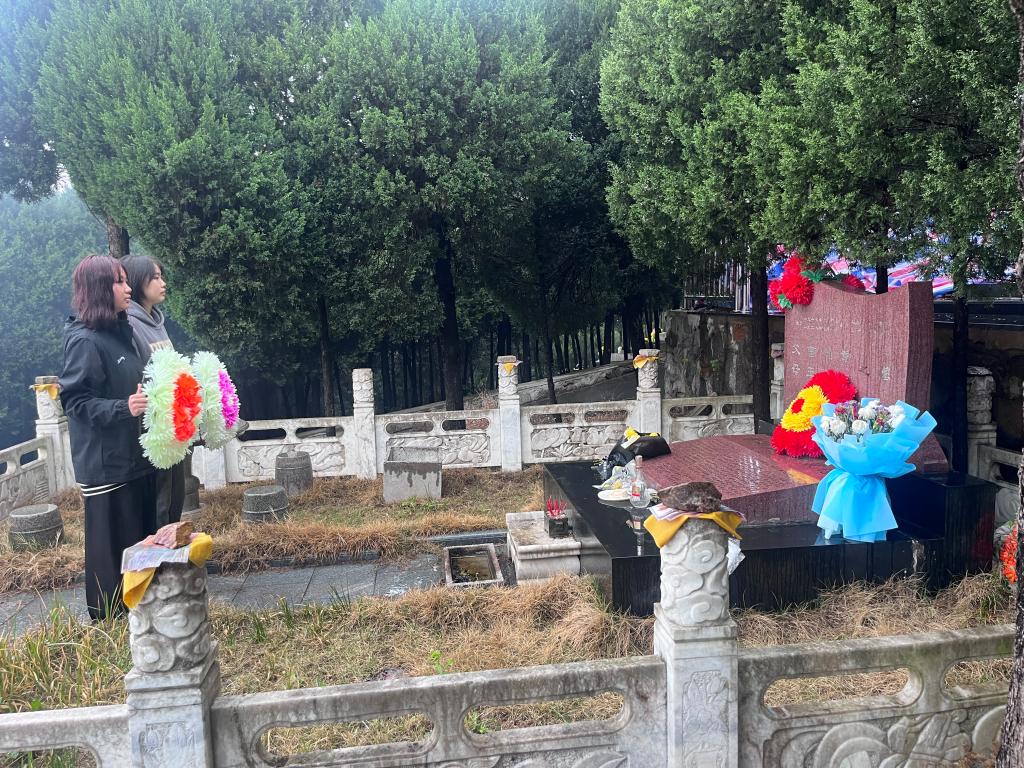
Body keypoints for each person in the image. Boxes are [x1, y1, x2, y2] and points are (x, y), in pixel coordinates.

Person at [60, 254, 156, 620]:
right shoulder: (84, 341)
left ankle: (141, 614)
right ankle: (109, 621)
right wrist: (123, 408)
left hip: (134, 456)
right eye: (119, 282)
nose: (128, 288)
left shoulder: (121, 332)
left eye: (126, 280)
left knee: (139, 542)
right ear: (100, 288)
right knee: (111, 551)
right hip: (105, 466)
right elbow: (75, 402)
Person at [123, 255, 184, 527]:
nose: (163, 283)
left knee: (175, 497)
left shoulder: (157, 322)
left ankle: (173, 547)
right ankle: (160, 552)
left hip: (173, 423)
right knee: (160, 502)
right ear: (138, 282)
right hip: (153, 428)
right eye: (155, 278)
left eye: (162, 276)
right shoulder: (131, 325)